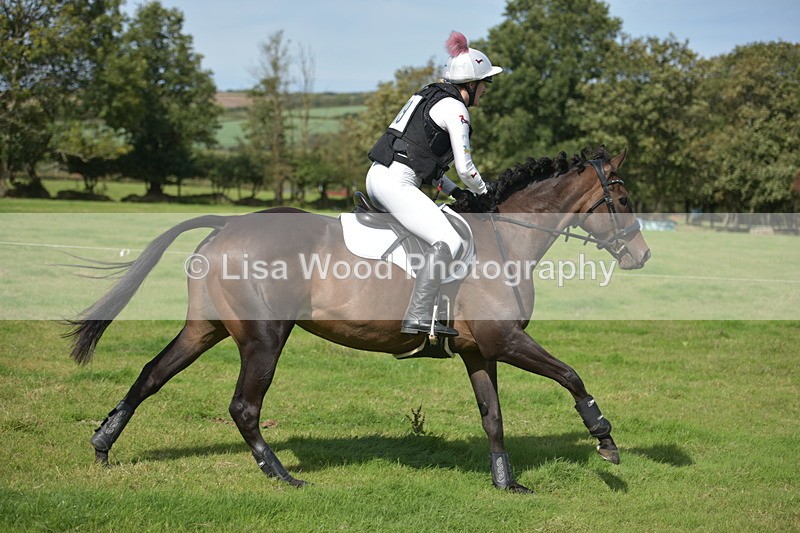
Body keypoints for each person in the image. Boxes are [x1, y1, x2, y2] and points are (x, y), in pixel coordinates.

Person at [366, 31, 502, 337]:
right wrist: (484, 193)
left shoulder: (429, 96)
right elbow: (467, 169)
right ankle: (418, 315)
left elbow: (426, 164)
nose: (486, 91)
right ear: (471, 85)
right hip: (397, 182)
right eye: (485, 85)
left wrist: (456, 192)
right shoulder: (457, 109)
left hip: (382, 174)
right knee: (450, 241)